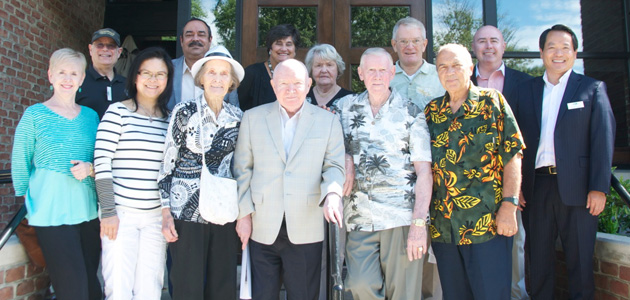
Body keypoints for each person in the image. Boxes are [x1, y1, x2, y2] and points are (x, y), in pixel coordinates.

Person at [514, 24, 615, 299]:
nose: (558, 53)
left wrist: (599, 187)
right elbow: (514, 145)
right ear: (541, 53)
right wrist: (516, 186)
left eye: (565, 48)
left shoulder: (592, 89)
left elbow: (602, 141)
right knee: (539, 263)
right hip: (537, 188)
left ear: (574, 53)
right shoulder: (526, 90)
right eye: (551, 47)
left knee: (580, 263)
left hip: (580, 189)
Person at [233, 59, 345, 300]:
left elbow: (334, 166)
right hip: (261, 224)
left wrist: (333, 193)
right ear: (273, 86)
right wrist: (243, 215)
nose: (291, 89)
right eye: (284, 83)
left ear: (308, 85)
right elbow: (242, 170)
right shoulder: (252, 118)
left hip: (306, 224)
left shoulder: (329, 121)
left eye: (297, 83)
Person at [331, 48, 432, 300]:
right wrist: (344, 155)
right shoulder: (342, 108)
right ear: (361, 74)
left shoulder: (412, 113)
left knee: (404, 293)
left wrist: (419, 224)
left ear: (392, 73)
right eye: (371, 71)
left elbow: (424, 173)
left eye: (382, 70)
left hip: (402, 219)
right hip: (359, 217)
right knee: (359, 284)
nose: (377, 76)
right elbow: (320, 143)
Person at [424, 43, 523, 299]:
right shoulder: (432, 112)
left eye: (456, 65)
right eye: (443, 67)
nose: (450, 72)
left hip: (487, 225)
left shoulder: (492, 102)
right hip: (444, 228)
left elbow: (513, 154)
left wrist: (509, 206)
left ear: (470, 68)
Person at [12, 48, 102, 300]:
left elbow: (102, 159)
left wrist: (91, 168)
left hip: (87, 213)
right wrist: (28, 201)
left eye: (74, 73)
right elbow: (20, 161)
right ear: (50, 75)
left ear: (82, 78)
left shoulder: (90, 117)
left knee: (91, 288)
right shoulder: (34, 115)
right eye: (62, 72)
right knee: (72, 290)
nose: (68, 78)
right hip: (51, 213)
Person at [158, 45, 244, 299]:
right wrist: (165, 213)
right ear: (201, 78)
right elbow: (167, 165)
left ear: (231, 82)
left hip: (224, 210)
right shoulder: (183, 112)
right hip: (186, 211)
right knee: (187, 285)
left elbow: (241, 166)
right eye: (212, 72)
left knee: (223, 285)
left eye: (224, 74)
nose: (217, 78)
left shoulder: (238, 117)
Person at [95, 47, 173, 299]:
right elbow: (102, 161)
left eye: (160, 74)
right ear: (135, 76)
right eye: (147, 73)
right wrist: (108, 212)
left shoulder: (170, 120)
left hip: (154, 219)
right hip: (121, 216)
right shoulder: (117, 112)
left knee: (150, 289)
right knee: (118, 288)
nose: (153, 80)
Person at [470, 24, 533, 300]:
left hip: (511, 183)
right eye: (482, 41)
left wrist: (517, 186)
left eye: (494, 41)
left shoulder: (525, 83)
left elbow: (529, 134)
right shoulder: (459, 80)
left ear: (503, 46)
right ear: (474, 48)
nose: (488, 46)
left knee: (513, 247)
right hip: (469, 188)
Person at [238, 24, 300, 111]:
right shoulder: (251, 74)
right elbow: (237, 109)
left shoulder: (299, 76)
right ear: (270, 48)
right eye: (279, 43)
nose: (284, 48)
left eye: (289, 44)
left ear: (295, 50)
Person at [390, 17, 444, 110]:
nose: (410, 47)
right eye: (403, 41)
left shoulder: (442, 76)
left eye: (416, 41)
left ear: (424, 45)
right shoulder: (383, 76)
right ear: (394, 45)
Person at [76, 28, 128, 119]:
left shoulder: (128, 85)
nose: (105, 49)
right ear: (90, 49)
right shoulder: (77, 81)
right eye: (100, 45)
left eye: (111, 46)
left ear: (119, 52)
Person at [167, 18, 212, 110]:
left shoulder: (224, 73)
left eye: (201, 35)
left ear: (210, 40)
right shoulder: (167, 69)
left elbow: (233, 112)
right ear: (181, 40)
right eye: (189, 35)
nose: (195, 39)